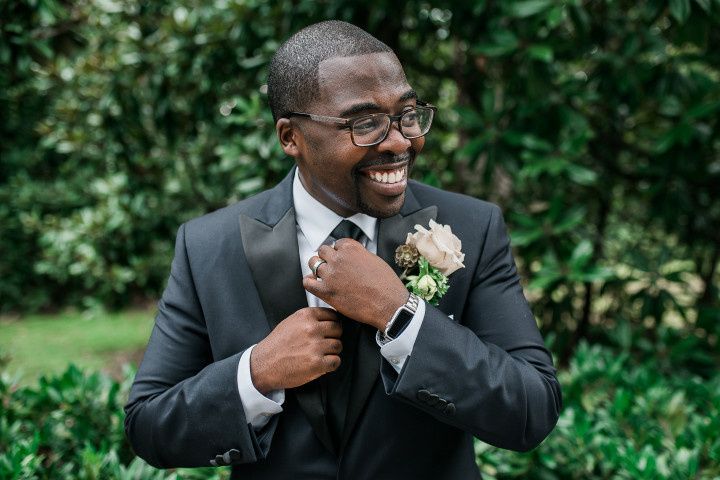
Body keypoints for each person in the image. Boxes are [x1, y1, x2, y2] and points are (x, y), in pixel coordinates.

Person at [124, 20, 561, 479]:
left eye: (407, 114)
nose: (400, 142)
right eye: (365, 123)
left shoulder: (472, 226)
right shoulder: (208, 246)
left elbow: (532, 409)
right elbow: (150, 426)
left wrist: (403, 316)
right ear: (290, 137)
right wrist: (257, 374)